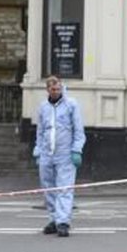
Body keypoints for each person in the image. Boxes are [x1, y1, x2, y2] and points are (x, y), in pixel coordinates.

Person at [33, 76, 85, 238]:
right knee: (49, 188)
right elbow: (41, 131)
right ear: (47, 90)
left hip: (65, 154)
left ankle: (63, 221)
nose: (56, 92)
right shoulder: (43, 107)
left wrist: (77, 150)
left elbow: (78, 130)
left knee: (64, 188)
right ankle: (54, 219)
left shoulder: (71, 105)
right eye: (53, 89)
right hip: (47, 154)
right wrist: (38, 151)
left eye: (58, 89)